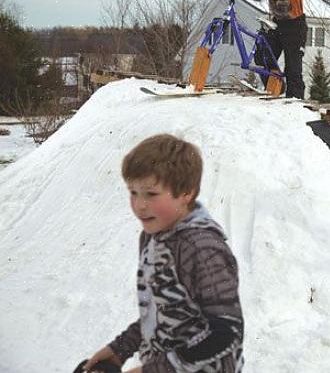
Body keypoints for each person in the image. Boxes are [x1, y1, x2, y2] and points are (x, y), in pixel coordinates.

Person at [79, 134, 243, 373]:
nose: (139, 205)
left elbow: (226, 332)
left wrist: (157, 369)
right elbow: (162, 313)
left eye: (151, 194)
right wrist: (120, 348)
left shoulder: (202, 249)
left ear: (186, 193)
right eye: (133, 192)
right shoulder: (153, 237)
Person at [200, 0, 307, 99]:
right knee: (261, 57)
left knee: (293, 68)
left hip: (294, 28)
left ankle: (295, 100)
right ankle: (277, 88)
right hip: (277, 25)